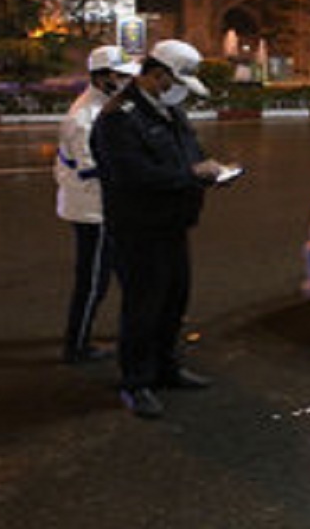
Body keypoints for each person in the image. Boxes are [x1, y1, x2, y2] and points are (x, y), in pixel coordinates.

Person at [90, 39, 231, 419]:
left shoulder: (169, 110)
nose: (181, 93)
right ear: (155, 75)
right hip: (138, 229)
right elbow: (131, 176)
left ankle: (167, 367)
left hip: (172, 224)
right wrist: (190, 174)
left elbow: (190, 152)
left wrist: (209, 169)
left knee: (173, 300)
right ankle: (136, 383)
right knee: (142, 307)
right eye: (176, 83)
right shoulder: (119, 117)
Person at [55, 45, 140, 364]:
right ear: (101, 77)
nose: (125, 81)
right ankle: (75, 346)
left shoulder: (106, 105)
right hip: (92, 210)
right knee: (92, 281)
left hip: (105, 207)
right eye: (120, 76)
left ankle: (102, 335)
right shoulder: (84, 118)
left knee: (119, 274)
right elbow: (94, 169)